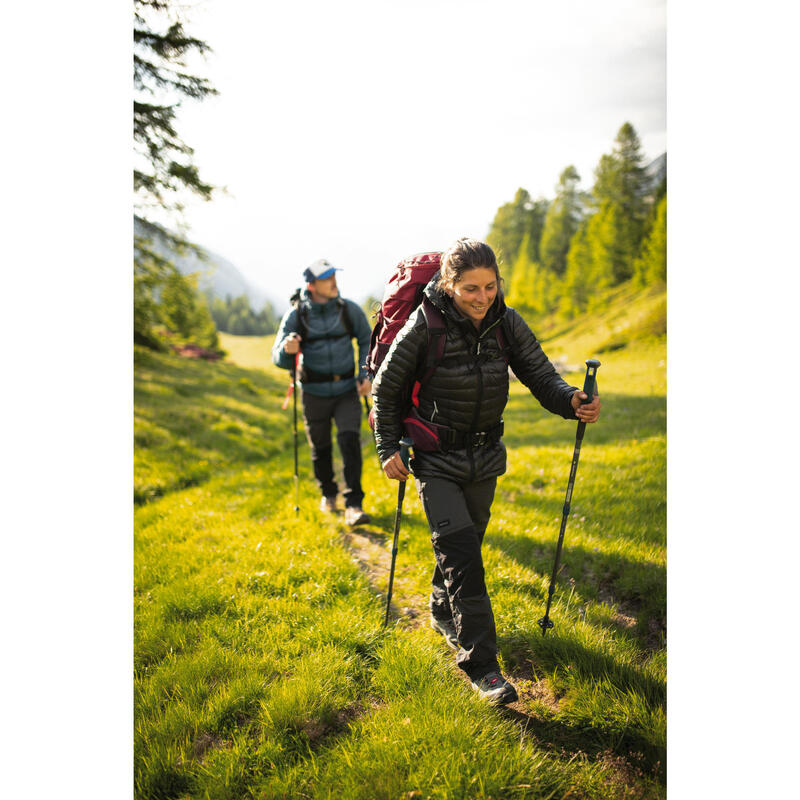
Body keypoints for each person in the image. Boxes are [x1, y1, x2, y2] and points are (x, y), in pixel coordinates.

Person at [371, 238, 601, 705]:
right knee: (464, 559)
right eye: (471, 288)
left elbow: (540, 375)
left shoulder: (505, 322)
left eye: (490, 287)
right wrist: (387, 445)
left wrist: (571, 398)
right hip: (435, 458)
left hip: (484, 456)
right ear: (449, 285)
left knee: (466, 544)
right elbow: (385, 387)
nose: (482, 298)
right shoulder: (425, 324)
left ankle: (441, 608)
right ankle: (484, 668)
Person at [272, 259, 373, 526]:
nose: (334, 282)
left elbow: (367, 340)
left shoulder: (349, 310)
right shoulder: (296, 315)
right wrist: (287, 350)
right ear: (312, 285)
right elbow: (278, 357)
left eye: (333, 276)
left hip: (346, 390)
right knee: (321, 446)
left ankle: (354, 504)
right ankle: (328, 493)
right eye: (327, 278)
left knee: (349, 441)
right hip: (313, 392)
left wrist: (366, 374)